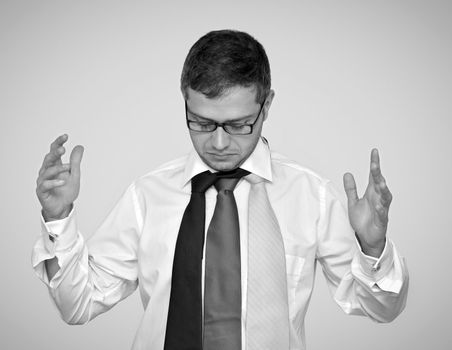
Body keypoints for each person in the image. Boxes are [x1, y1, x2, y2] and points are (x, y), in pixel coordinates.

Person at [32, 30, 408, 350]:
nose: (219, 142)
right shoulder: (147, 195)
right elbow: (77, 306)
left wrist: (373, 248)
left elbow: (381, 310)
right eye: (200, 122)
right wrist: (58, 219)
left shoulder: (311, 196)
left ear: (267, 105)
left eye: (239, 124)